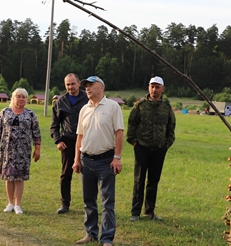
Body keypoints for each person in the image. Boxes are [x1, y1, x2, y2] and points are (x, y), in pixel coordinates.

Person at [73, 76, 123, 246]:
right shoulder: (84, 109)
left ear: (101, 87)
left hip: (106, 160)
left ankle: (107, 238)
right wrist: (76, 159)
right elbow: (79, 137)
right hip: (86, 160)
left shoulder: (112, 106)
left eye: (91, 85)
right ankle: (91, 233)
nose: (87, 88)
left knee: (107, 200)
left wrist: (117, 158)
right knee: (89, 200)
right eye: (86, 86)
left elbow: (119, 133)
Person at [127, 76, 175, 222]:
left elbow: (171, 127)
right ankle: (135, 212)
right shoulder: (140, 106)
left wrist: (167, 144)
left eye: (157, 87)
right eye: (152, 86)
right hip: (142, 147)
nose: (154, 90)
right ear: (148, 87)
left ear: (162, 89)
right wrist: (134, 142)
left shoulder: (166, 108)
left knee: (153, 180)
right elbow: (132, 125)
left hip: (159, 149)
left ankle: (149, 211)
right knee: (139, 180)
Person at [0, 88, 41, 215]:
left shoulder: (30, 114)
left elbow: (36, 133)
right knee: (9, 177)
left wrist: (37, 149)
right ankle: (10, 203)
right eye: (18, 96)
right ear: (13, 98)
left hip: (23, 151)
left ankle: (17, 204)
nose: (21, 99)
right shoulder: (5, 112)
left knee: (19, 177)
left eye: (24, 97)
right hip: (7, 150)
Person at [50, 73, 89, 214]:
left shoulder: (87, 98)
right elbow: (54, 125)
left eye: (73, 84)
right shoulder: (60, 102)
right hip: (67, 141)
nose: (70, 87)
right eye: (67, 84)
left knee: (87, 174)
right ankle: (65, 204)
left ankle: (89, 204)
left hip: (86, 141)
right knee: (66, 174)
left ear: (79, 83)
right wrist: (58, 140)